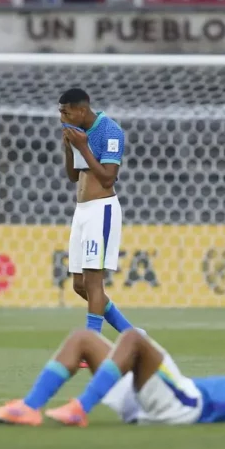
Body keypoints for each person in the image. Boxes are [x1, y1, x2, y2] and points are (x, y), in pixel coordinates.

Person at [0, 328, 225, 426]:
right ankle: (28, 407)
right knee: (83, 339)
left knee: (134, 338)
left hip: (187, 406)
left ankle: (80, 408)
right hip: (163, 399)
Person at [59, 89, 137, 347]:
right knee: (79, 285)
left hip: (101, 210)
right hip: (81, 212)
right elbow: (73, 176)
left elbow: (107, 178)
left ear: (81, 110)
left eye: (66, 112)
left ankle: (92, 343)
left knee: (94, 282)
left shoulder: (110, 131)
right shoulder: (76, 132)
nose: (62, 117)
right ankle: (131, 333)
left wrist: (82, 146)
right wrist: (69, 149)